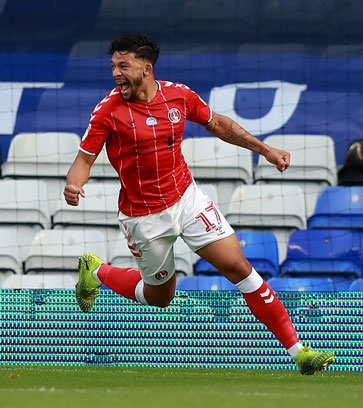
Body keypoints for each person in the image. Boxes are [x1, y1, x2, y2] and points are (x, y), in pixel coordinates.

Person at [64, 33, 334, 375]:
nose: (116, 73)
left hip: (186, 199)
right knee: (159, 297)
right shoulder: (108, 111)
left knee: (238, 266)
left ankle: (299, 352)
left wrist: (266, 150)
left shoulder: (179, 95)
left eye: (123, 65)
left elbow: (218, 124)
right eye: (113, 66)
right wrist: (74, 185)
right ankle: (97, 270)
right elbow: (84, 159)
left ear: (146, 68)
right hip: (144, 216)